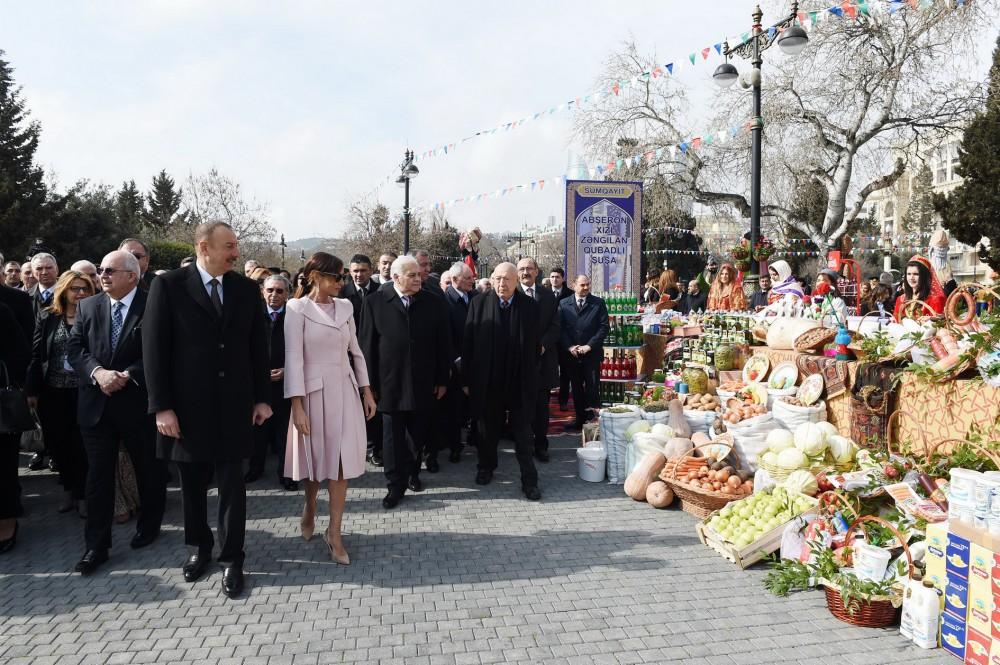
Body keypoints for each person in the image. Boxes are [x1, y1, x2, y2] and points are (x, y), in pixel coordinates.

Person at [143, 221, 272, 599]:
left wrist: (262, 397)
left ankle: (233, 558)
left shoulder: (246, 289)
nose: (236, 252)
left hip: (234, 406)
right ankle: (200, 548)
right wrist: (161, 407)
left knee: (233, 485)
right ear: (204, 247)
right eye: (229, 246)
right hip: (186, 409)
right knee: (193, 485)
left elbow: (257, 349)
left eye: (236, 245)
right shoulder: (168, 286)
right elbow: (154, 351)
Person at [66, 251, 167, 575]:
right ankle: (96, 546)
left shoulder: (153, 304)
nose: (103, 275)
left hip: (136, 405)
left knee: (148, 470)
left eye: (110, 270)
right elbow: (75, 348)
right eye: (101, 270)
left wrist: (127, 374)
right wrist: (98, 373)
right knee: (97, 478)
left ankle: (149, 526)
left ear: (132, 276)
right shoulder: (88, 306)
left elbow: (164, 350)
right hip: (96, 406)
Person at [284, 253, 377, 564]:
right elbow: (293, 359)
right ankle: (310, 504)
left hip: (345, 391)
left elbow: (357, 351)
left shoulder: (347, 306)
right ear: (315, 276)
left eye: (343, 278)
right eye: (337, 277)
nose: (342, 283)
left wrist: (366, 390)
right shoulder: (296, 308)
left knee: (340, 464)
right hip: (312, 394)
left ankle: (334, 532)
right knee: (315, 463)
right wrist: (296, 405)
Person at [359, 255, 450, 509]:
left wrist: (442, 378)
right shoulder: (375, 302)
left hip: (423, 381)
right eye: (412, 275)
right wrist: (369, 386)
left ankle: (412, 474)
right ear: (396, 277)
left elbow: (443, 343)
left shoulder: (432, 302)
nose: (418, 278)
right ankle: (394, 485)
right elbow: (366, 346)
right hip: (389, 384)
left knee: (416, 435)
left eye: (419, 274)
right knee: (391, 439)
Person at [462, 263, 542, 500]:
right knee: (487, 430)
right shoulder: (479, 303)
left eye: (507, 279)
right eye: (497, 279)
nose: (501, 284)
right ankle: (486, 467)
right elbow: (468, 344)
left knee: (523, 434)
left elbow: (535, 346)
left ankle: (529, 480)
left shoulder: (529, 306)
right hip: (488, 381)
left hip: (519, 381)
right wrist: (466, 379)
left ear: (516, 281)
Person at [26, 270, 95, 515]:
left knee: (82, 445)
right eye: (75, 288)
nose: (80, 293)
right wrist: (32, 390)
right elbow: (37, 356)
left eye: (85, 288)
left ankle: (83, 495)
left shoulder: (93, 315)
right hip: (53, 393)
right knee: (60, 444)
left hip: (84, 391)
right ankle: (68, 490)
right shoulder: (48, 317)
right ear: (63, 290)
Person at [247, 275, 296, 489]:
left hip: (286, 384)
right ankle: (255, 469)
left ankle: (286, 474)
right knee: (258, 430)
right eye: (270, 290)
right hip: (258, 384)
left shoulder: (294, 318)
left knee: (285, 432)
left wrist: (289, 371)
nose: (274, 295)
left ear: (287, 294)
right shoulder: (252, 315)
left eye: (279, 291)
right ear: (262, 292)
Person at [516, 258, 559, 463]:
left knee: (541, 408)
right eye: (522, 269)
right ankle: (522, 445)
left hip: (542, 361)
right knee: (521, 407)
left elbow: (555, 324)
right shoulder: (512, 293)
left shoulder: (548, 296)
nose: (525, 272)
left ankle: (541, 446)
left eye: (529, 269)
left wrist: (543, 344)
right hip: (517, 363)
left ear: (536, 271)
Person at [559, 275, 609, 430]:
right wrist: (569, 347)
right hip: (572, 355)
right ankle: (580, 420)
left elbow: (603, 327)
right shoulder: (563, 303)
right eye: (582, 285)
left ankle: (592, 422)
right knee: (576, 388)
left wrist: (590, 346)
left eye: (588, 284)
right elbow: (560, 328)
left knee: (592, 388)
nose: (586, 288)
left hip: (591, 355)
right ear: (574, 285)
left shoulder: (598, 303)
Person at [0, 298, 29, 553]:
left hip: (1, 407)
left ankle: (7, 521)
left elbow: (21, 355)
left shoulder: (2, 310)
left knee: (3, 469)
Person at [440, 262, 476, 464]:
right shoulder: (444, 302)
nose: (472, 280)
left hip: (475, 363)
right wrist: (457, 359)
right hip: (454, 366)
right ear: (454, 280)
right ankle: (455, 446)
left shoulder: (476, 298)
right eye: (468, 277)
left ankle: (476, 439)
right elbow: (444, 337)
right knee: (454, 410)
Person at [894, 255, 946, 321]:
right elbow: (895, 322)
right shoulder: (901, 299)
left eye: (916, 274)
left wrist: (930, 319)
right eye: (909, 274)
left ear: (924, 276)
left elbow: (940, 324)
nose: (911, 278)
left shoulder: (935, 299)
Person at [928, 229, 958, 298]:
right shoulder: (929, 265)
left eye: (944, 248)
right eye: (939, 247)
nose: (941, 250)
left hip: (945, 297)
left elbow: (951, 287)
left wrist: (948, 282)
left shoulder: (947, 265)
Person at [28, 252, 59, 317]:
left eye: (49, 268)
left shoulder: (67, 293)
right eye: (39, 269)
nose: (44, 272)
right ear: (33, 272)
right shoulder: (26, 297)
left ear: (57, 270)